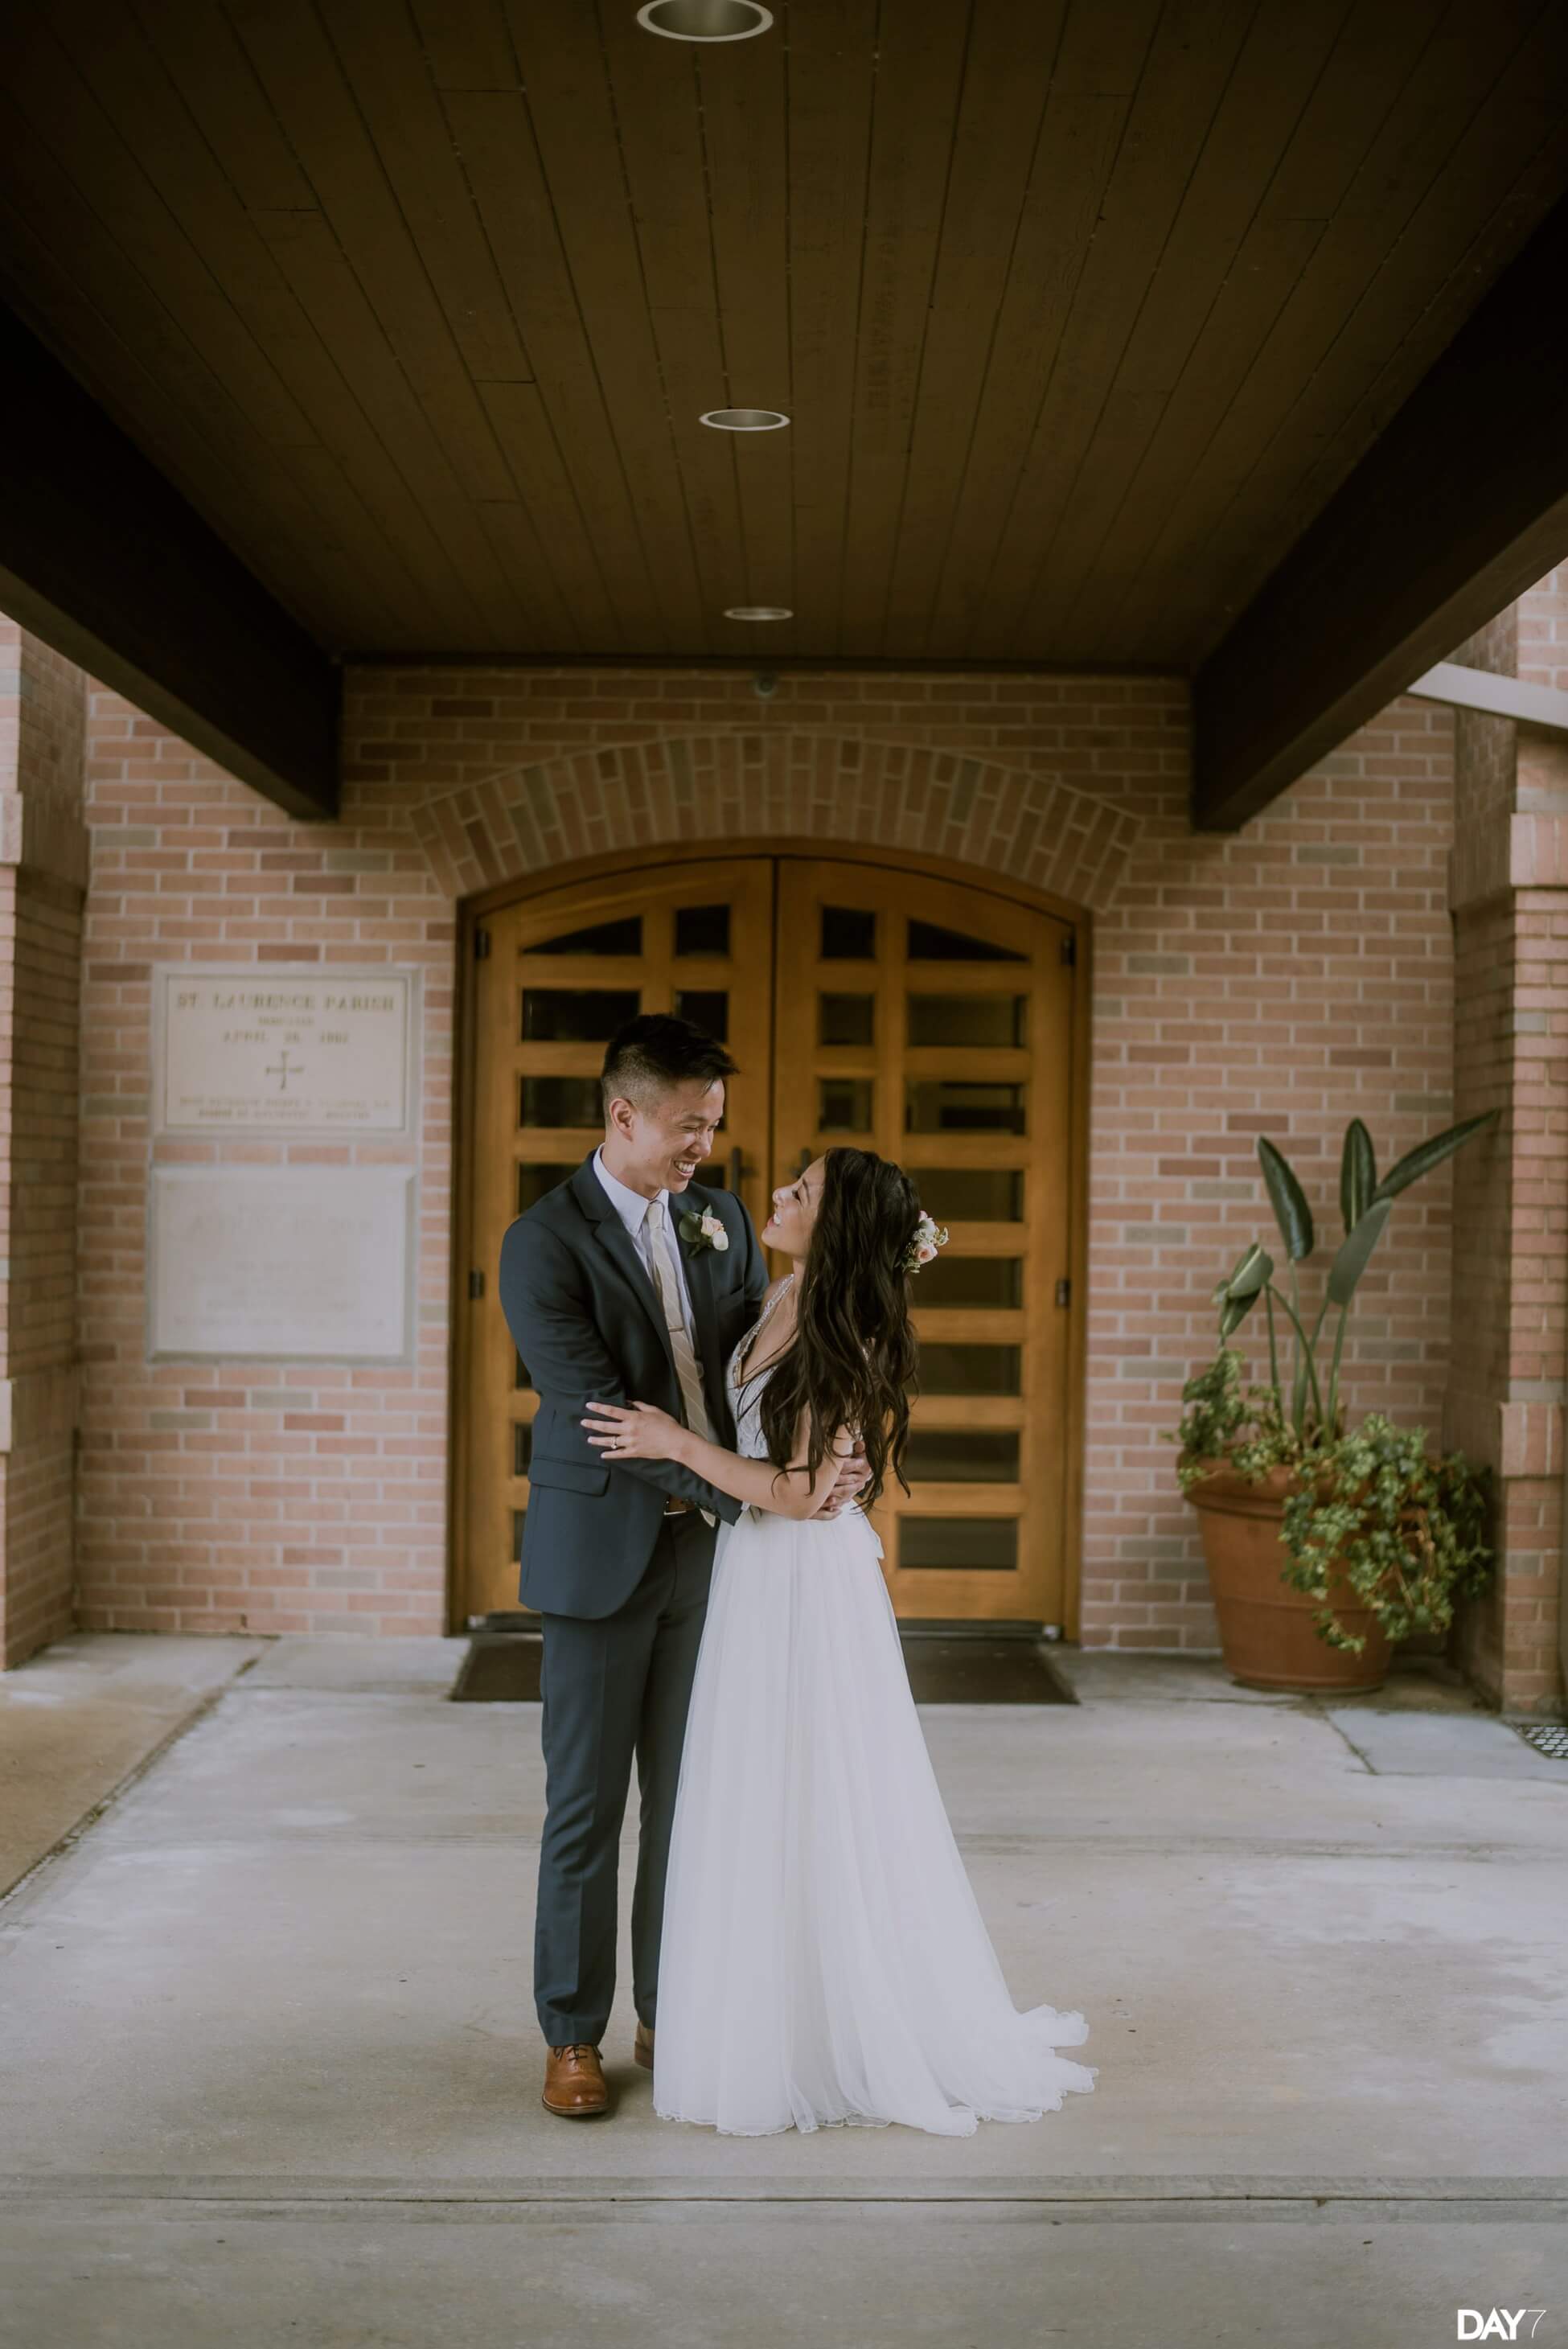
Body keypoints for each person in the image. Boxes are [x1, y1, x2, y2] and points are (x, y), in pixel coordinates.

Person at [582, 1145, 1099, 2138]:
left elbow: (802, 1490)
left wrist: (673, 1443)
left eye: (802, 1191)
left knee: (813, 1792)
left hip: (801, 1580)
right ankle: (767, 2009)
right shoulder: (780, 1293)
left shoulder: (840, 1329)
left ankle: (821, 2032)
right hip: (760, 1576)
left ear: (840, 1225)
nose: (778, 1195)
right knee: (762, 1792)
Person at [496, 1014, 867, 2120]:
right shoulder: (542, 1240)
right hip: (603, 1556)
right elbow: (604, 1411)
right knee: (586, 1809)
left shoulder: (717, 1220)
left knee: (690, 1805)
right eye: (688, 1126)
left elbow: (769, 1360)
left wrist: (828, 1450)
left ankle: (670, 2010)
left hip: (715, 1567)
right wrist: (776, 1499)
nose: (705, 1146)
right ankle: (572, 2033)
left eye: (713, 1126)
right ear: (625, 1115)